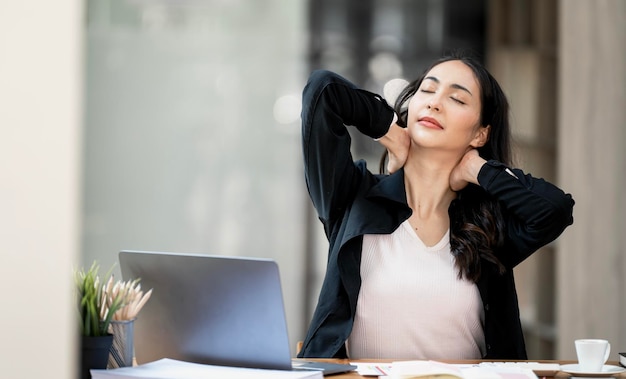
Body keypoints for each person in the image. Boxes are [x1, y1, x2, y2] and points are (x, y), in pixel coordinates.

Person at [296, 53, 575, 360]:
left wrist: (478, 169)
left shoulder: (489, 225)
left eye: (457, 98)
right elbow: (322, 90)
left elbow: (555, 209)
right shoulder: (352, 196)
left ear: (481, 133)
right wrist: (387, 128)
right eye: (427, 90)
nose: (434, 103)